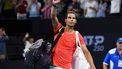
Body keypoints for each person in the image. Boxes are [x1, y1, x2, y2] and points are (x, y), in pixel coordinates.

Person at [50, 0, 96, 69]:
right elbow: (53, 17)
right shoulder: (59, 29)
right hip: (55, 67)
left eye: (73, 18)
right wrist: (54, 5)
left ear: (75, 21)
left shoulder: (77, 35)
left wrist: (92, 66)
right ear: (65, 20)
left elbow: (86, 52)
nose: (71, 19)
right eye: (69, 17)